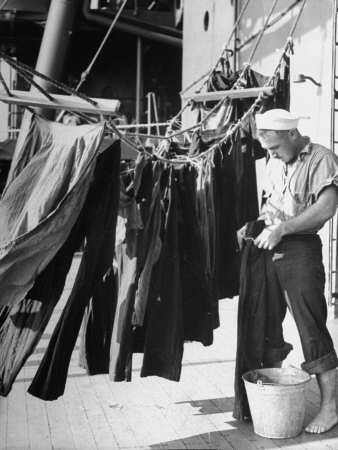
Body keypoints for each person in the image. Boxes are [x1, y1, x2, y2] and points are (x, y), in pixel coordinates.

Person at [238, 108, 338, 434]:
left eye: (276, 148)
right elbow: (272, 205)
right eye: (268, 150)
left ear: (292, 134)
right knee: (265, 323)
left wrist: (282, 229)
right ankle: (269, 397)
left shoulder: (321, 158)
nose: (272, 155)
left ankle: (330, 408)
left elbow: (326, 207)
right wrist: (257, 225)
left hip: (301, 251)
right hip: (269, 249)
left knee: (311, 329)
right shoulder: (273, 161)